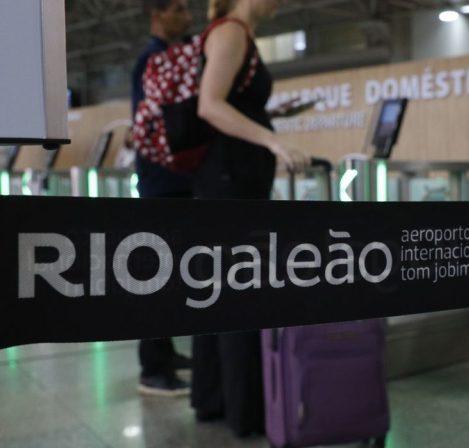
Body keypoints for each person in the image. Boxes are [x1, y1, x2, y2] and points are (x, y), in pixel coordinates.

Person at [190, 0, 309, 437]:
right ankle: (244, 410)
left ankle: (215, 400)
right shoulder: (232, 31)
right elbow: (209, 105)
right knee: (239, 290)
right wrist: (273, 142)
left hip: (229, 178)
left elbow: (230, 103)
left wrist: (270, 118)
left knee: (219, 291)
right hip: (229, 180)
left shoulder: (236, 33)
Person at [131, 0, 194, 398]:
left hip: (175, 181)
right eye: (179, 10)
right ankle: (152, 367)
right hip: (160, 183)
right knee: (156, 275)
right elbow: (152, 121)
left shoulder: (166, 57)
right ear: (158, 14)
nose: (187, 18)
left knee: (170, 275)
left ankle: (165, 353)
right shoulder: (151, 60)